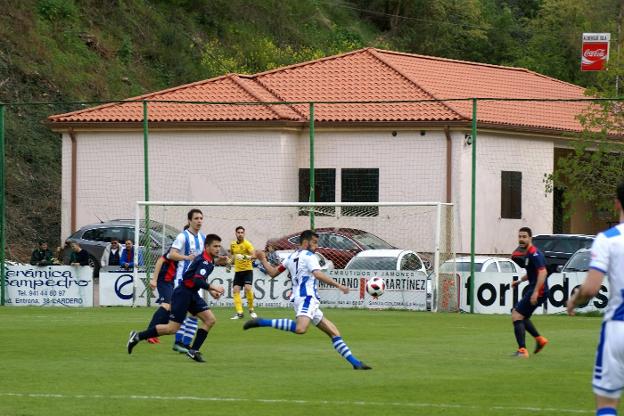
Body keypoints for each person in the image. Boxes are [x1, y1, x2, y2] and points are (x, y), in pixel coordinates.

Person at [246, 230, 372, 370]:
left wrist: (263, 259)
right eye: (314, 242)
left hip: (303, 299)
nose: (316, 246)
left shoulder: (291, 257)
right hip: (307, 298)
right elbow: (318, 274)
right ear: (305, 242)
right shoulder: (310, 256)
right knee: (300, 329)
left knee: (334, 332)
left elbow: (273, 273)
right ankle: (262, 322)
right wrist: (338, 285)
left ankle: (356, 363)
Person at [567, 180, 624, 416]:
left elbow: (590, 289)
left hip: (617, 330)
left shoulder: (608, 239)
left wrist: (574, 300)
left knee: (607, 405)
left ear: (617, 203)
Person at [127, 234, 225, 363]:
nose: (218, 249)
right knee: (172, 329)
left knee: (210, 320)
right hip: (183, 294)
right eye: (215, 246)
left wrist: (211, 291)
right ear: (207, 247)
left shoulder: (208, 260)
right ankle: (138, 336)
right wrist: (214, 287)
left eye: (219, 246)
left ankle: (193, 351)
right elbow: (197, 280)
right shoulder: (204, 260)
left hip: (192, 293)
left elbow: (199, 279)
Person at [167, 209, 206, 353]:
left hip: (197, 283)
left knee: (196, 314)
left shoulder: (203, 238)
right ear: (189, 220)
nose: (199, 221)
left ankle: (186, 343)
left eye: (201, 218)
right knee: (183, 313)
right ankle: (178, 342)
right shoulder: (182, 237)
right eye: (196, 218)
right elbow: (172, 254)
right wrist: (186, 258)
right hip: (182, 281)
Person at [509, 226, 549, 358]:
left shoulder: (534, 253)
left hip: (539, 290)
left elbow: (543, 272)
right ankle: (539, 340)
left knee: (516, 315)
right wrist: (520, 281)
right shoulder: (528, 253)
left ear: (530, 238)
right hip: (536, 288)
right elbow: (533, 273)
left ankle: (522, 350)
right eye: (520, 236)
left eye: (524, 237)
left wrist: (536, 292)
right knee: (521, 316)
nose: (521, 239)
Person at [144, 246, 179, 344]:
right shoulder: (177, 247)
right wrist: (154, 279)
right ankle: (150, 334)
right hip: (164, 280)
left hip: (172, 281)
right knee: (166, 305)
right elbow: (160, 260)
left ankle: (154, 332)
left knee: (172, 307)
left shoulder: (191, 248)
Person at [229, 226, 257, 320]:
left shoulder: (247, 244)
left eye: (242, 232)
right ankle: (239, 313)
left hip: (247, 270)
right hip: (238, 271)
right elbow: (233, 255)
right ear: (235, 233)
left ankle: (251, 309)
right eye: (238, 232)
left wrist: (245, 257)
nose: (240, 234)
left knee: (248, 289)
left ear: (244, 234)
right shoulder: (233, 244)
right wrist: (229, 263)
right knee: (235, 290)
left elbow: (254, 256)